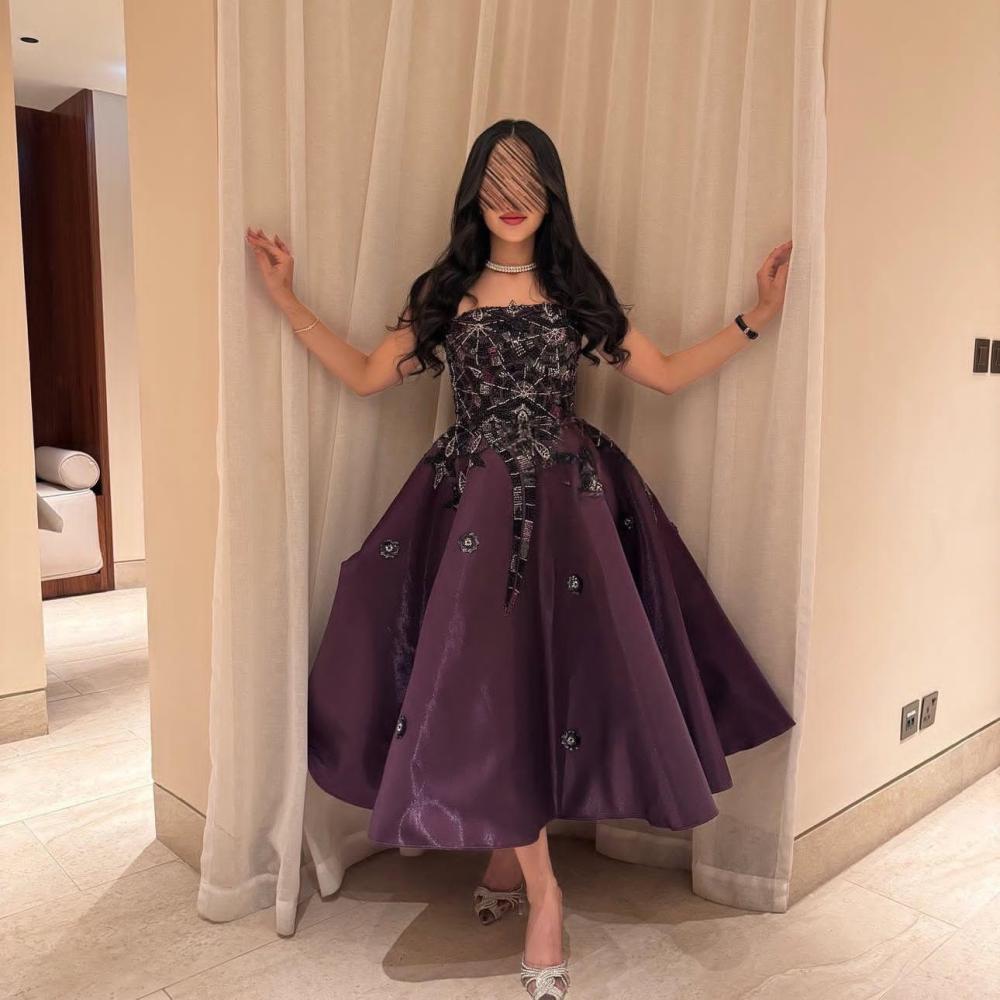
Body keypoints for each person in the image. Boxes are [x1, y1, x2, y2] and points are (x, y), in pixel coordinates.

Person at [246, 118, 794, 1000]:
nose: (511, 200)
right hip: (472, 507)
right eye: (496, 182)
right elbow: (364, 375)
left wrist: (755, 317)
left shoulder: (576, 291)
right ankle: (543, 888)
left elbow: (663, 372)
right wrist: (285, 298)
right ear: (474, 192)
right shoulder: (448, 292)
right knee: (484, 683)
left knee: (541, 678)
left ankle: (514, 865)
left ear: (551, 194)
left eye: (528, 182)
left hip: (572, 507)